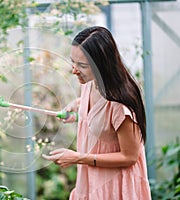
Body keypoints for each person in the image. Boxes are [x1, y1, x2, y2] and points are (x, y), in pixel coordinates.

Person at [42, 26, 152, 199]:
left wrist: (78, 158)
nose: (74, 70)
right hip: (91, 181)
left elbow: (130, 156)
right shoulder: (89, 83)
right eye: (73, 62)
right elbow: (99, 113)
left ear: (102, 65)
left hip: (115, 187)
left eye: (82, 65)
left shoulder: (120, 104)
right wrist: (78, 106)